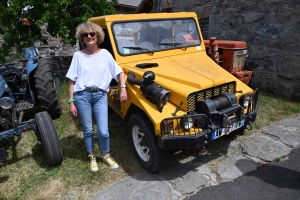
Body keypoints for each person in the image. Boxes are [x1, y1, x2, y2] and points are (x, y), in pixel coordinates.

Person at [66, 21, 127, 172]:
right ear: (82, 38)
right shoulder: (78, 56)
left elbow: (119, 72)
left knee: (103, 130)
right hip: (82, 96)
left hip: (100, 95)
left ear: (98, 36)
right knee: (88, 130)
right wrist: (71, 101)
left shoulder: (105, 54)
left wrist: (123, 88)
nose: (89, 36)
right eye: (85, 34)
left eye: (92, 34)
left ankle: (106, 155)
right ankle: (92, 156)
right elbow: (72, 81)